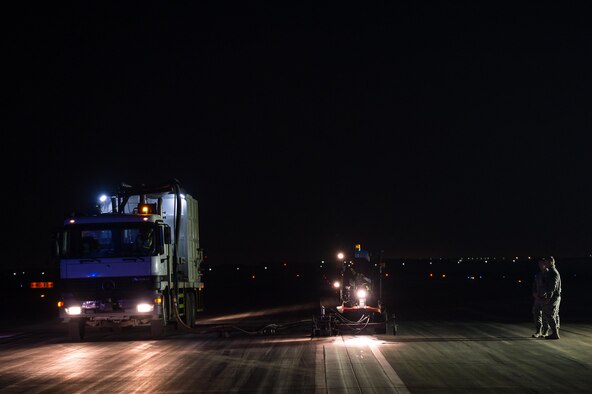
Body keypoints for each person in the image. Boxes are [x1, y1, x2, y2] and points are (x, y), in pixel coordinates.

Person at [542, 256, 561, 340]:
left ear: (550, 262)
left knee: (550, 314)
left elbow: (552, 287)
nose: (544, 264)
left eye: (546, 262)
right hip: (555, 296)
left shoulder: (553, 272)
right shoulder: (551, 271)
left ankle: (555, 333)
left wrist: (548, 297)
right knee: (553, 314)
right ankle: (555, 333)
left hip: (554, 297)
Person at [531, 259, 550, 338]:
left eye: (541, 264)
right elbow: (534, 285)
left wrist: (547, 295)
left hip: (545, 297)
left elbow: (551, 287)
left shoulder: (550, 274)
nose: (540, 266)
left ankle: (545, 330)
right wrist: (534, 293)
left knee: (545, 314)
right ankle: (538, 330)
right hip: (538, 297)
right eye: (539, 264)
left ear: (545, 264)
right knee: (536, 312)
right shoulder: (538, 275)